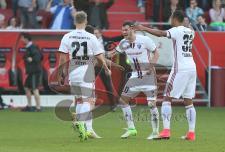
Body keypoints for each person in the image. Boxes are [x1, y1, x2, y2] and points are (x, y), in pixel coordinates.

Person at [135, 10, 197, 141]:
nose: (170, 20)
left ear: (175, 19)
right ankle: (191, 133)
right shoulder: (190, 31)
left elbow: (161, 34)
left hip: (180, 69)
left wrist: (143, 28)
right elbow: (190, 30)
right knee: (188, 101)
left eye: (171, 18)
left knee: (167, 98)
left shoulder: (177, 30)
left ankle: (166, 131)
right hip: (192, 67)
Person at [57, 11, 111, 141]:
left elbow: (63, 58)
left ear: (75, 21)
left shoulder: (67, 36)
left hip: (73, 72)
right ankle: (82, 123)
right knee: (89, 100)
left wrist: (60, 74)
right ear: (86, 21)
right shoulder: (91, 37)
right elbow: (99, 56)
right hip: (86, 72)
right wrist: (106, 67)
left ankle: (85, 127)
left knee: (80, 100)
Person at [113, 21, 160, 139]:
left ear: (133, 29)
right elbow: (114, 53)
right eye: (122, 30)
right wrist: (101, 54)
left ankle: (155, 132)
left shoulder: (145, 40)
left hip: (148, 76)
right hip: (135, 76)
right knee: (123, 100)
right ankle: (131, 129)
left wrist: (151, 65)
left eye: (126, 30)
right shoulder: (123, 43)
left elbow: (156, 53)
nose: (124, 32)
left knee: (151, 104)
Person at [21, 33, 42, 112]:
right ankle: (29, 106)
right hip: (31, 72)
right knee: (26, 88)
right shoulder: (29, 47)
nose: (21, 40)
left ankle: (38, 107)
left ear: (26, 39)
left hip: (35, 72)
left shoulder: (32, 47)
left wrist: (32, 59)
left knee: (35, 89)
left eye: (22, 38)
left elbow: (39, 57)